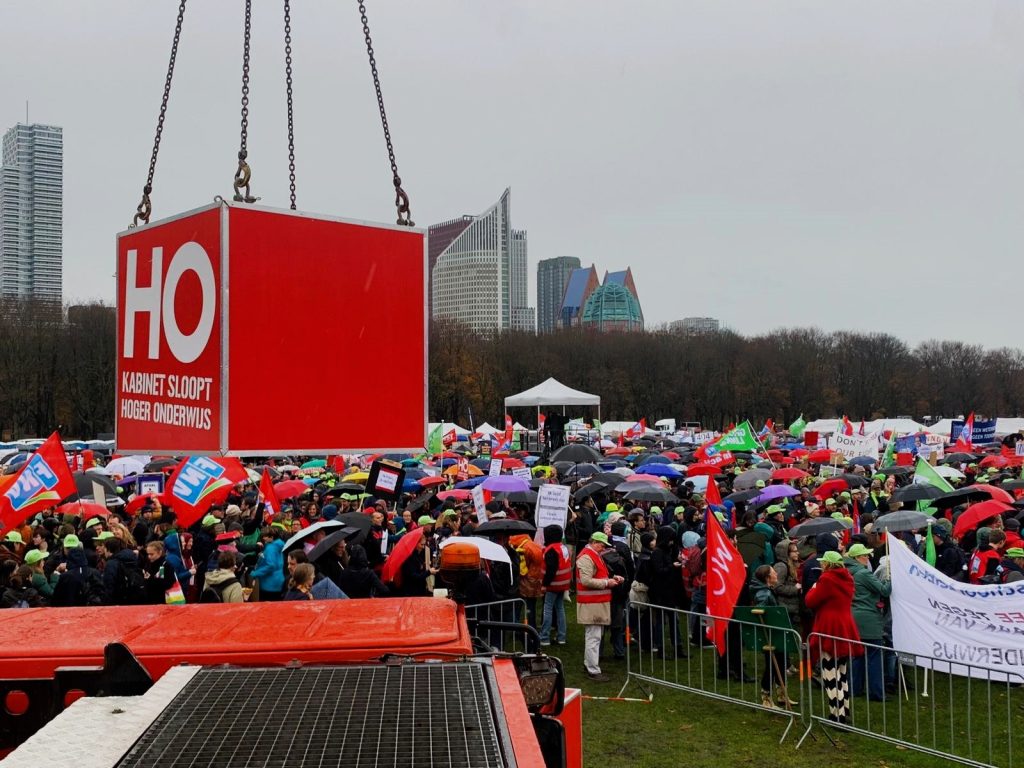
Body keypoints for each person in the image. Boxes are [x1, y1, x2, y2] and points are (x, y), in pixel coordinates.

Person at [806, 550, 862, 724]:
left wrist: (814, 586)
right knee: (842, 672)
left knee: (830, 672)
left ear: (828, 564)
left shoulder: (827, 579)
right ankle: (844, 710)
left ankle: (836, 714)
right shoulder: (848, 578)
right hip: (845, 624)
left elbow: (810, 600)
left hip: (830, 626)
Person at [576, 532, 624, 682]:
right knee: (594, 637)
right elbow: (586, 581)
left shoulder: (592, 555)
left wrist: (612, 578)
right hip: (592, 603)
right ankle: (593, 670)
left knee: (594, 636)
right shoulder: (586, 557)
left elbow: (595, 577)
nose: (603, 548)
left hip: (595, 602)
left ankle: (589, 664)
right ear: (594, 542)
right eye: (602, 545)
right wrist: (607, 583)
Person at [846, 543, 891, 701]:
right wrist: (889, 579)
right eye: (865, 555)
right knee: (874, 656)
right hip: (868, 618)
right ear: (857, 558)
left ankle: (854, 688)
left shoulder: (847, 572)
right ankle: (877, 693)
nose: (868, 557)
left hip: (854, 616)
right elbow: (884, 590)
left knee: (857, 656)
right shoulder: (863, 573)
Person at [749, 564, 796, 709]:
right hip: (770, 635)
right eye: (774, 572)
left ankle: (782, 694)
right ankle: (766, 697)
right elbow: (761, 612)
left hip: (775, 634)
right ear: (768, 578)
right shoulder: (763, 594)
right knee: (771, 666)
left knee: (781, 664)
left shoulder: (767, 590)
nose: (777, 574)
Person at [51, 535, 105, 607]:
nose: (70, 550)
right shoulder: (95, 573)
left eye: (72, 548)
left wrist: (55, 574)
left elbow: (56, 600)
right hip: (90, 612)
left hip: (71, 613)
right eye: (68, 548)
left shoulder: (65, 576)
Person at [539, 524, 571, 646]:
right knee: (560, 608)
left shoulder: (550, 550)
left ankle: (544, 637)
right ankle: (561, 636)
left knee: (547, 609)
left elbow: (551, 570)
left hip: (553, 584)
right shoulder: (563, 547)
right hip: (563, 583)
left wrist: (544, 584)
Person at [252, 526, 286, 601]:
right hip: (277, 582)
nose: (263, 538)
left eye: (265, 536)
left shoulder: (271, 548)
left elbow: (271, 565)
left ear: (272, 537)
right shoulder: (278, 545)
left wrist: (255, 573)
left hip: (269, 584)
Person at [141, 540, 178, 605]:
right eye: (148, 554)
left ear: (160, 552)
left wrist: (150, 578)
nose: (149, 556)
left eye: (151, 554)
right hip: (149, 599)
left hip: (161, 600)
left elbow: (165, 583)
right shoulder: (149, 563)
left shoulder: (163, 565)